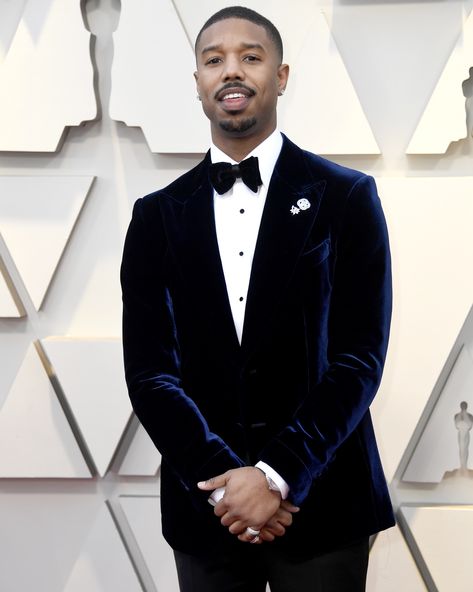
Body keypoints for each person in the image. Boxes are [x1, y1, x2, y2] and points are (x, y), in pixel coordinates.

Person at [120, 6, 395, 591]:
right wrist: (226, 484)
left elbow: (358, 359)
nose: (231, 71)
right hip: (207, 509)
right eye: (213, 60)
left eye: (251, 56)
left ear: (282, 74)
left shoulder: (348, 198)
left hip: (324, 503)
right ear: (197, 80)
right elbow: (150, 374)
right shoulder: (155, 218)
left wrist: (275, 476)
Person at [454, 401, 473, 472]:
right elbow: (457, 424)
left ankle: (465, 466)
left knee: (465, 448)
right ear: (460, 406)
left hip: (467, 434)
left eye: (465, 405)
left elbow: (470, 425)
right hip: (460, 434)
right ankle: (462, 466)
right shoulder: (456, 415)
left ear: (467, 406)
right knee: (461, 449)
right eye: (462, 405)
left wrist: (465, 418)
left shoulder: (470, 416)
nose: (463, 406)